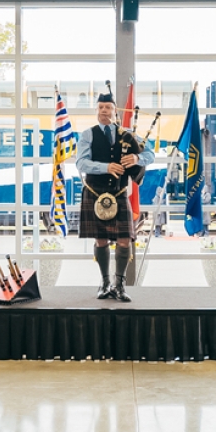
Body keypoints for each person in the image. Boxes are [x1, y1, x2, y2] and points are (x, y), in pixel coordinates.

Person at [76, 91, 154, 302]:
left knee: (124, 239)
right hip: (95, 192)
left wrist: (137, 157)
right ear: (96, 111)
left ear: (114, 111)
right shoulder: (88, 135)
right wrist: (105, 167)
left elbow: (151, 154)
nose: (104, 111)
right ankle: (104, 283)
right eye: (100, 107)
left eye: (108, 107)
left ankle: (119, 285)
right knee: (100, 240)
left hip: (118, 193)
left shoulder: (127, 134)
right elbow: (81, 164)